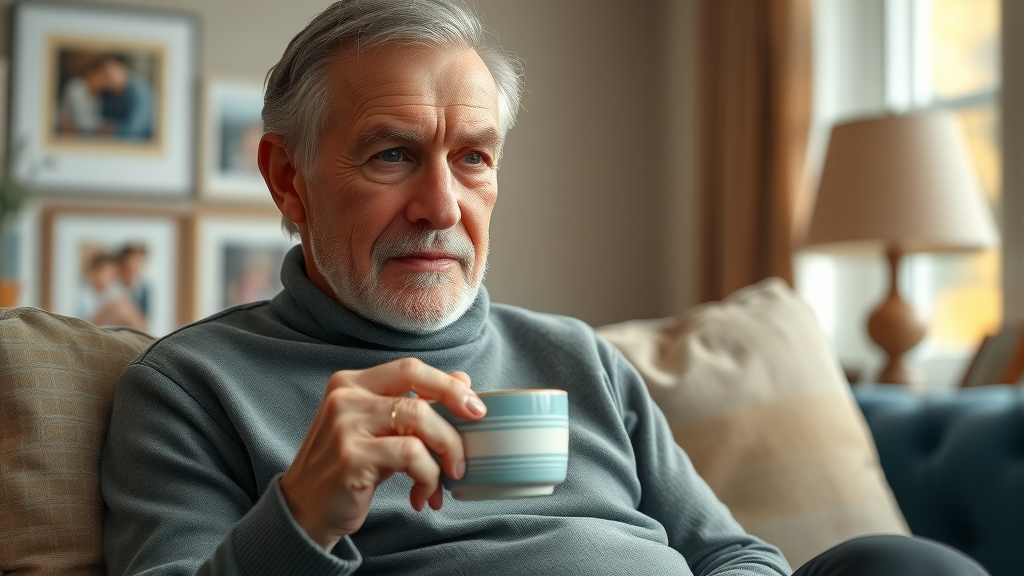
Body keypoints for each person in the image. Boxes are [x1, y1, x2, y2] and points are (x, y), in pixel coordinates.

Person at [99, 1, 990, 575]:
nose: (440, 204)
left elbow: (735, 557)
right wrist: (298, 516)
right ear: (287, 179)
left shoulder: (577, 357)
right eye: (392, 154)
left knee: (899, 565)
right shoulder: (191, 387)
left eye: (472, 157)